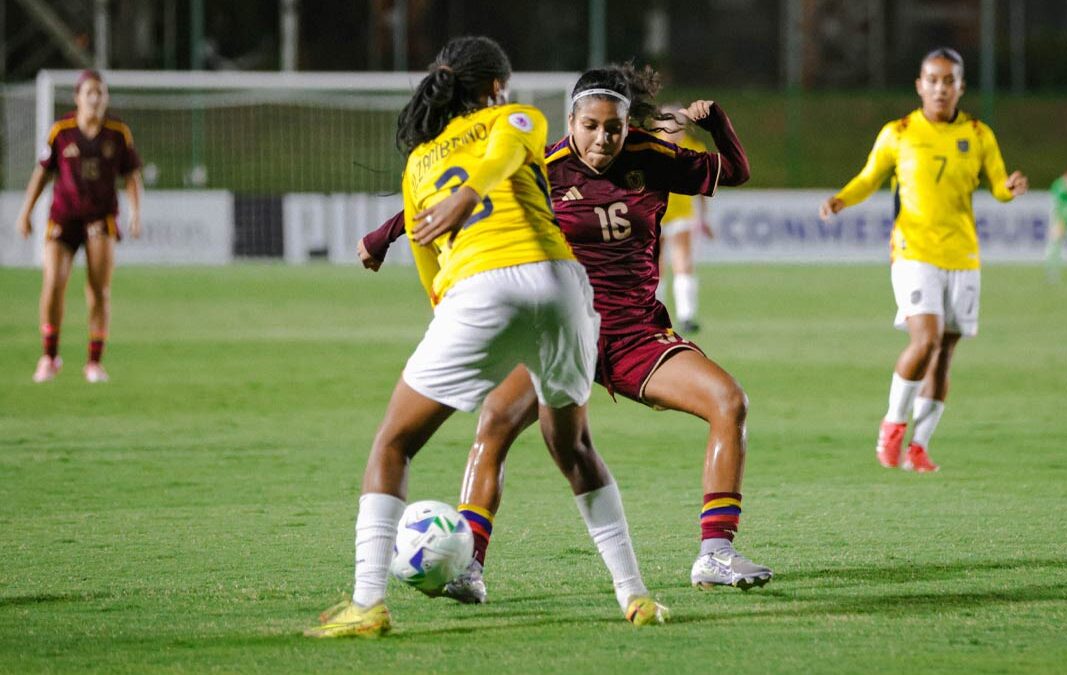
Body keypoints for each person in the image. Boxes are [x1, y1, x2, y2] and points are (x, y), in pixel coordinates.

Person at [359, 63, 771, 605]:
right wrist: (384, 235)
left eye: (614, 128)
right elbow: (458, 195)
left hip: (633, 335)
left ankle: (715, 553)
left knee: (728, 401)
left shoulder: (651, 156)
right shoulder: (543, 167)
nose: (603, 139)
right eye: (591, 126)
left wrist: (717, 122)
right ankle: (468, 566)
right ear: (571, 121)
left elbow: (734, 171)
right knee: (495, 426)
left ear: (627, 124)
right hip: (559, 327)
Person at [306, 37, 667, 639]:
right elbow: (502, 154)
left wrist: (458, 303)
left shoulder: (420, 162)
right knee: (573, 447)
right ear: (497, 87)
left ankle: (367, 603)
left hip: (480, 289)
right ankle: (635, 595)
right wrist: (474, 193)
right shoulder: (518, 118)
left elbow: (429, 264)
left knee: (394, 443)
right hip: (562, 287)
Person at [820, 48, 1028, 472]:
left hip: (963, 254)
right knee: (926, 339)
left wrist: (1008, 189)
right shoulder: (898, 132)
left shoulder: (978, 134)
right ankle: (893, 423)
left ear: (961, 87)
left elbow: (997, 185)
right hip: (913, 250)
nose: (940, 88)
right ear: (919, 85)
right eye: (932, 80)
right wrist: (842, 199)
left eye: (949, 80)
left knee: (945, 352)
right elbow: (869, 177)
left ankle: (919, 446)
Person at [16, 69, 143, 384]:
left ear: (106, 98)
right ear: (77, 97)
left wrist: (135, 213)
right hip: (64, 216)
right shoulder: (62, 131)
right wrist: (26, 212)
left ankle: (94, 363)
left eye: (101, 92)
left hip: (101, 217)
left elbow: (131, 175)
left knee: (99, 290)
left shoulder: (118, 133)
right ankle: (49, 357)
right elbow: (42, 173)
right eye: (90, 92)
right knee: (53, 282)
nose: (96, 98)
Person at [653, 105, 712, 334]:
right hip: (654, 215)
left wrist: (703, 217)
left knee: (683, 262)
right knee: (654, 267)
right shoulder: (649, 148)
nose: (673, 128)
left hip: (681, 214)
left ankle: (686, 315)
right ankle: (655, 316)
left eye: (678, 123)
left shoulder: (694, 149)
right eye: (668, 123)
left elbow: (701, 188)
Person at [1045, 167, 1067, 282]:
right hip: (1062, 215)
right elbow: (1056, 202)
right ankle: (1052, 271)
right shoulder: (1059, 185)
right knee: (1055, 241)